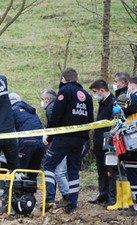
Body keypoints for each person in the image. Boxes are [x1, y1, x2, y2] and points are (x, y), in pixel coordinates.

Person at [42, 68, 94, 213]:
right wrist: (84, 138)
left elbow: (56, 115)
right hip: (80, 140)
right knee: (73, 172)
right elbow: (91, 120)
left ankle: (50, 198)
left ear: (63, 79)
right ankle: (72, 205)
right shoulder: (87, 96)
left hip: (64, 137)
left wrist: (49, 134)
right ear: (76, 79)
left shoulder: (64, 92)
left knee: (49, 165)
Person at [88, 79, 115, 205]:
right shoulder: (103, 103)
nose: (94, 95)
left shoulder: (112, 103)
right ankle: (103, 194)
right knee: (101, 171)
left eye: (95, 92)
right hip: (99, 143)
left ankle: (111, 196)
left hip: (108, 143)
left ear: (102, 91)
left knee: (109, 171)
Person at [120, 76, 137, 215]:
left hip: (135, 141)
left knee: (133, 172)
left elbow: (133, 108)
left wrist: (121, 111)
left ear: (132, 86)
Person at [41, 89, 69, 203]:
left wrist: (48, 138)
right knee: (64, 170)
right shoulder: (60, 106)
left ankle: (63, 196)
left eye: (42, 99)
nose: (42, 102)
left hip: (61, 142)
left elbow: (54, 126)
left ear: (48, 99)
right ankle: (67, 195)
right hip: (70, 141)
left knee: (55, 169)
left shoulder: (51, 109)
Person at [9, 93, 45, 180]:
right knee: (33, 173)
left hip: (27, 142)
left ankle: (16, 193)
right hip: (40, 143)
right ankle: (31, 192)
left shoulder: (12, 110)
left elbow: (8, 129)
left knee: (18, 172)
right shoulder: (30, 111)